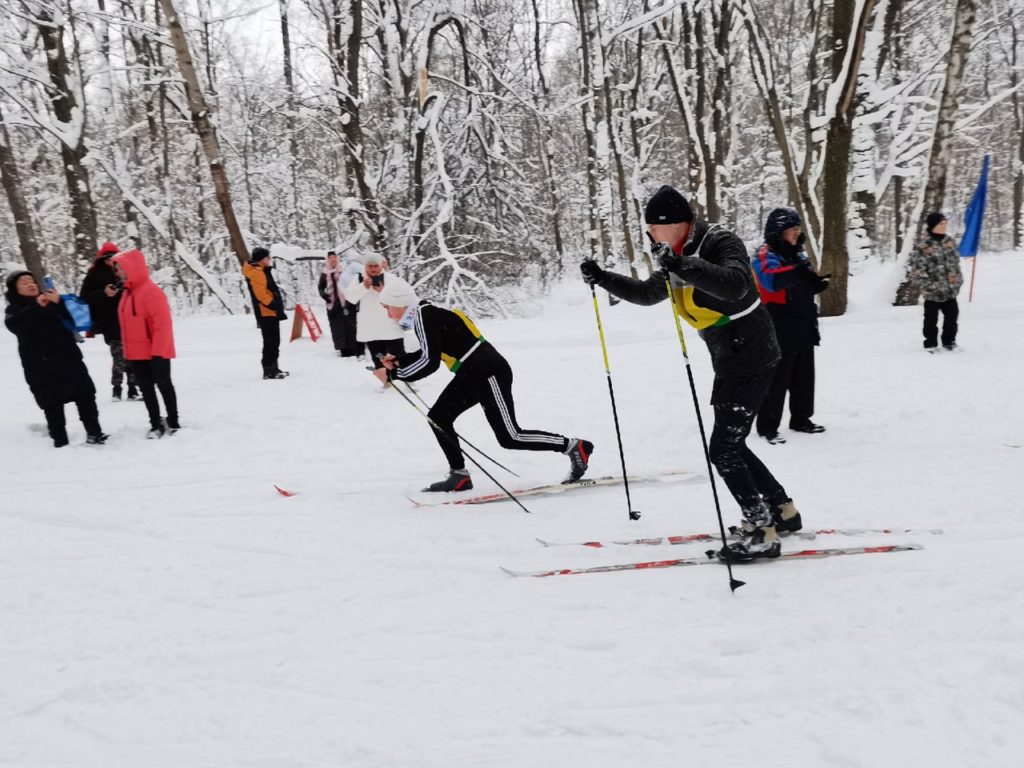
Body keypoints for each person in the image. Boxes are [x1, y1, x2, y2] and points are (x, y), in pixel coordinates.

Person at [579, 185, 800, 562]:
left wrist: (680, 265)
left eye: (657, 230)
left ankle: (762, 530)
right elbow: (649, 294)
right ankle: (782, 511)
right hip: (730, 357)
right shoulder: (673, 254)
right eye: (649, 231)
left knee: (724, 449)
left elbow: (735, 285)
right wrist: (602, 277)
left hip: (751, 351)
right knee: (733, 444)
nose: (652, 238)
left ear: (680, 224)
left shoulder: (719, 242)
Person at [372, 280, 594, 492]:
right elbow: (432, 351)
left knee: (510, 437)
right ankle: (459, 475)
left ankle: (573, 446)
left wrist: (394, 374)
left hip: (489, 372)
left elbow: (429, 363)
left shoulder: (424, 315)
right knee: (439, 418)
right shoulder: (425, 315)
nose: (387, 313)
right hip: (471, 374)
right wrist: (401, 361)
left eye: (387, 307)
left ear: (400, 302)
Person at [751, 207, 830, 443]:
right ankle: (767, 426)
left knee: (804, 376)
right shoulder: (764, 254)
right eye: (792, 228)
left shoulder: (798, 254)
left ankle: (801, 419)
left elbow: (802, 280)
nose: (797, 232)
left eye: (798, 228)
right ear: (779, 230)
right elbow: (772, 281)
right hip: (779, 325)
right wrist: (799, 273)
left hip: (803, 323)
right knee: (777, 378)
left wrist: (815, 284)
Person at [4, 270, 108, 446]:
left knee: (85, 396)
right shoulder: (13, 310)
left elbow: (76, 320)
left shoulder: (52, 301)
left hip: (69, 359)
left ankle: (95, 433)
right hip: (40, 366)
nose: (30, 284)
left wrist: (59, 302)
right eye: (23, 282)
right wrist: (37, 306)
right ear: (15, 290)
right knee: (51, 404)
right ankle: (60, 441)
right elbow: (17, 326)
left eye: (32, 280)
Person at [110, 249, 180, 438]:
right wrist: (128, 353)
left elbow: (162, 326)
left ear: (131, 268)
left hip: (156, 352)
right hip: (136, 353)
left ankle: (173, 422)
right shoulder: (127, 292)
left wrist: (158, 353)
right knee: (147, 390)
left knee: (164, 386)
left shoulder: (150, 292)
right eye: (116, 269)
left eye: (120, 268)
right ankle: (155, 423)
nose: (117, 272)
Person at [80, 241, 139, 401]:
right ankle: (117, 389)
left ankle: (133, 388)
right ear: (101, 259)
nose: (110, 261)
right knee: (119, 355)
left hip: (129, 319)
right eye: (107, 258)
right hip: (109, 321)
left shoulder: (123, 269)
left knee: (133, 354)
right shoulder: (94, 273)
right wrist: (104, 293)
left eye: (113, 258)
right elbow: (84, 297)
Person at [907, 212, 963, 352]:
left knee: (952, 318)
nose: (944, 226)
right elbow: (917, 270)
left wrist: (958, 281)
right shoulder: (923, 246)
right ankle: (930, 344)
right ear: (933, 226)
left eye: (945, 223)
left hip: (950, 290)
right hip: (933, 292)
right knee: (931, 320)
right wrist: (929, 286)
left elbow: (955, 264)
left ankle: (949, 342)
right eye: (941, 223)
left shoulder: (949, 242)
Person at [344, 254, 408, 367]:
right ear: (365, 266)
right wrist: (363, 286)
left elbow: (403, 298)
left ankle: (407, 379)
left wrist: (383, 291)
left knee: (399, 357)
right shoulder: (358, 278)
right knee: (379, 359)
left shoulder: (391, 278)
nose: (373, 269)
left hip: (391, 329)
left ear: (381, 266)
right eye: (370, 266)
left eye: (375, 266)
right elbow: (350, 297)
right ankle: (387, 381)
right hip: (371, 331)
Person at [242, 246, 289, 379]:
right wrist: (273, 305)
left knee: (274, 342)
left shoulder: (261, 270)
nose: (269, 259)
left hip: (269, 312)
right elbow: (261, 294)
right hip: (267, 313)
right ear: (262, 259)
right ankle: (269, 371)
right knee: (271, 342)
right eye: (267, 257)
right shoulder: (257, 272)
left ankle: (274, 368)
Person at [318, 251, 347, 356]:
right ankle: (342, 348)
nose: (333, 259)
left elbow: (349, 284)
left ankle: (351, 348)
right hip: (332, 304)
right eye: (330, 258)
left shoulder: (342, 271)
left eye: (334, 257)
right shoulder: (325, 273)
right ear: (328, 260)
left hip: (344, 303)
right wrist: (324, 295)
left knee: (347, 326)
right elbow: (321, 287)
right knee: (337, 327)